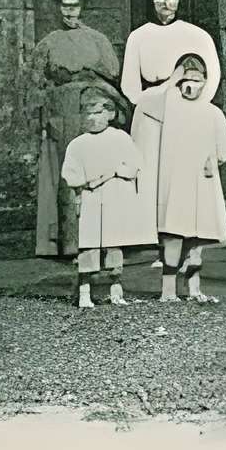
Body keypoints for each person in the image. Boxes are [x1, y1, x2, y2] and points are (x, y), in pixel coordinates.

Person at [120, 0, 221, 250]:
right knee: (151, 172)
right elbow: (129, 84)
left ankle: (185, 234)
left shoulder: (197, 36)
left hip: (187, 109)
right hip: (151, 111)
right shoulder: (138, 36)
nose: (165, 3)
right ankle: (149, 236)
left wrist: (194, 107)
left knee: (181, 172)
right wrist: (150, 103)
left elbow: (212, 76)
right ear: (150, 1)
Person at [30, 0, 126, 260]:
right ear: (58, 7)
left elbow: (112, 76)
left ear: (83, 8)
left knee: (98, 173)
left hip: (94, 108)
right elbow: (35, 85)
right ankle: (69, 242)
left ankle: (103, 239)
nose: (69, 11)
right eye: (64, 5)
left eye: (75, 6)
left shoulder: (98, 40)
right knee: (67, 176)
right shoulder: (48, 43)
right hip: (62, 113)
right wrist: (44, 119)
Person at [132, 52, 226, 305]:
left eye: (197, 80)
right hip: (174, 184)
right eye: (186, 79)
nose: (191, 85)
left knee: (197, 240)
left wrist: (213, 160)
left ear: (206, 82)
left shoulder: (212, 113)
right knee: (173, 235)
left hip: (201, 183)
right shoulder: (168, 107)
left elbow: (225, 148)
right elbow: (145, 102)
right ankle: (168, 291)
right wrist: (170, 80)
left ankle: (194, 288)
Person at [60, 87, 144, 308]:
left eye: (98, 112)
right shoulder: (78, 144)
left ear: (110, 114)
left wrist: (115, 171)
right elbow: (70, 174)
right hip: (90, 200)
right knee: (89, 245)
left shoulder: (121, 139)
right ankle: (85, 292)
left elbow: (134, 166)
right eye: (88, 113)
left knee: (114, 244)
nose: (92, 118)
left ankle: (115, 290)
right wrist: (87, 181)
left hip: (115, 199)